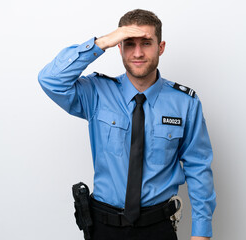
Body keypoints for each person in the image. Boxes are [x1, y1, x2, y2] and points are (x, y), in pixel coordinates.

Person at [38, 9, 216, 240]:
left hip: (158, 227)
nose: (138, 53)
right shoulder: (96, 93)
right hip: (103, 227)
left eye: (146, 43)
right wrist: (101, 43)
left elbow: (198, 167)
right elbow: (51, 80)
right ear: (119, 47)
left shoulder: (185, 103)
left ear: (160, 48)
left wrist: (201, 233)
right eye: (129, 44)